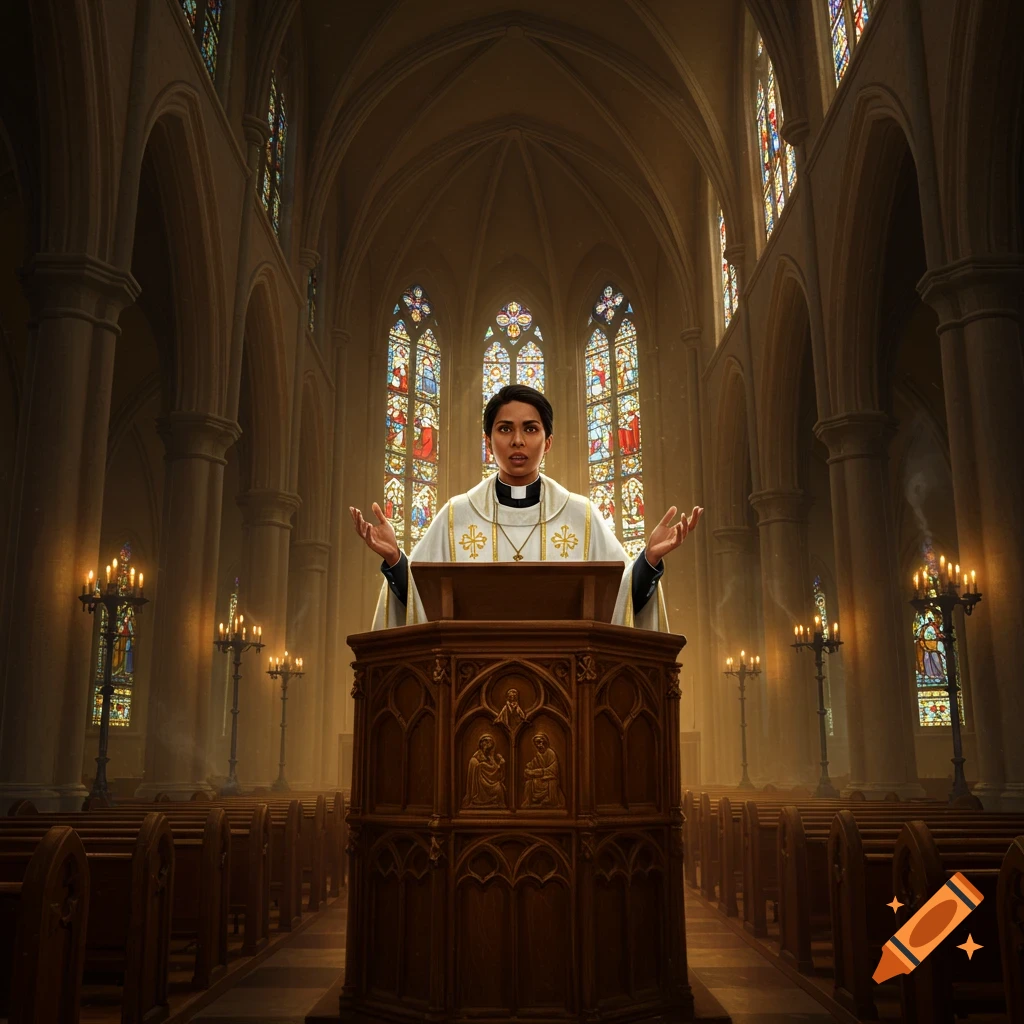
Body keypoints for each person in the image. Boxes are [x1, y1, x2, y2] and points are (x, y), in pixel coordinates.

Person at [350, 384, 703, 630]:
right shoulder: (457, 515)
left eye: (530, 429)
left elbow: (619, 598)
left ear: (547, 442)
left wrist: (649, 561)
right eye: (505, 429)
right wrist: (396, 560)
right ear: (489, 443)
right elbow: (419, 599)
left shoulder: (580, 515)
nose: (517, 440)